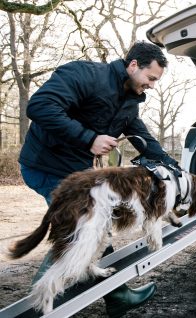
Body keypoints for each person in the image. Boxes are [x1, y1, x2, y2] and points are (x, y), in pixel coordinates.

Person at [18, 41, 178, 317]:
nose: (152, 85)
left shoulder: (129, 101)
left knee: (97, 228)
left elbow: (144, 138)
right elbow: (40, 106)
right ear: (132, 65)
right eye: (150, 78)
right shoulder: (84, 74)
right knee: (81, 231)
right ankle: (36, 309)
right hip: (45, 165)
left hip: (75, 172)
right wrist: (88, 138)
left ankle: (118, 296)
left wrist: (174, 167)